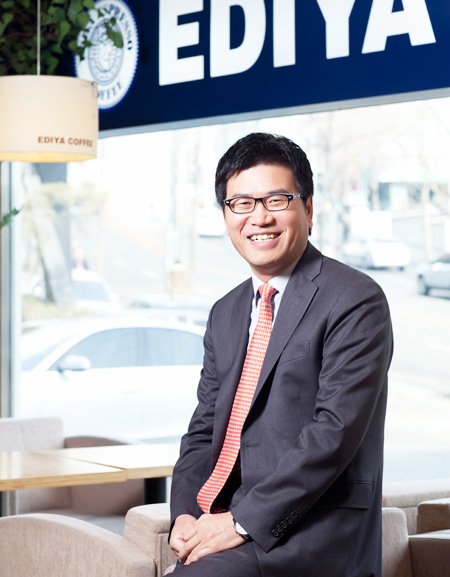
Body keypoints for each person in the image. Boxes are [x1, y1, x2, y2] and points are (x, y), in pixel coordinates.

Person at [169, 132, 393, 577]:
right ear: (226, 216)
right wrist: (185, 515)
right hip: (228, 521)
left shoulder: (354, 299)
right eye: (241, 203)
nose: (260, 217)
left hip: (312, 530)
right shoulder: (226, 312)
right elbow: (203, 430)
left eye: (276, 200)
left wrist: (239, 522)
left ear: (308, 209)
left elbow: (333, 433)